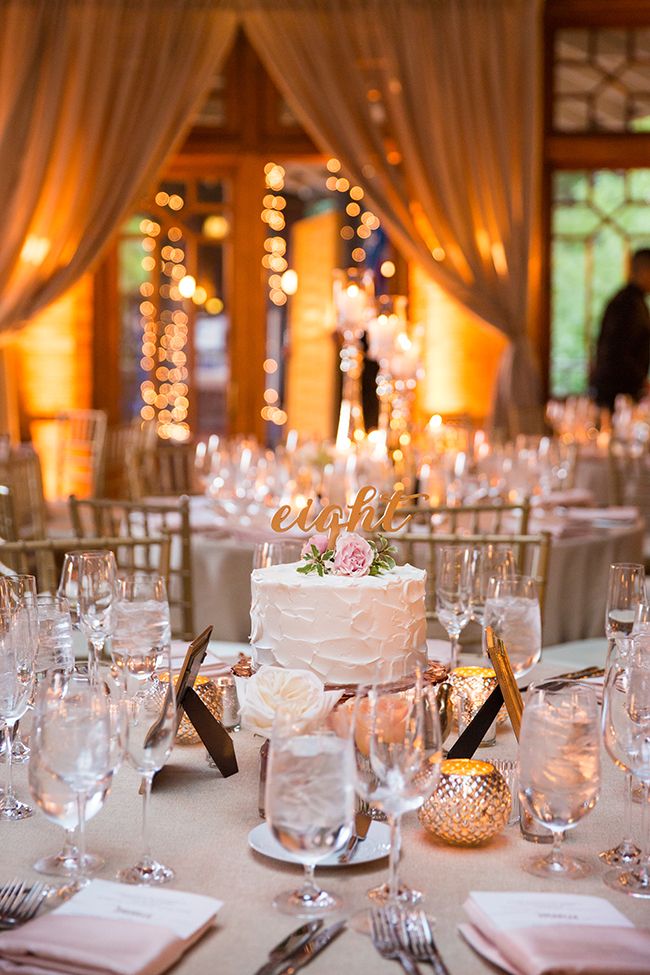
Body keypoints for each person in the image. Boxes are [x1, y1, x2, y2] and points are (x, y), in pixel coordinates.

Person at [592, 248, 650, 411]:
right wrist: (641, 380)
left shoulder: (632, 301)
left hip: (621, 390)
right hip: (617, 393)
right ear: (644, 270)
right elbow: (617, 351)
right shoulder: (628, 304)